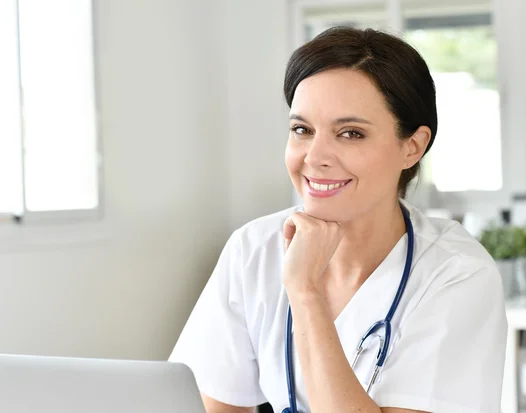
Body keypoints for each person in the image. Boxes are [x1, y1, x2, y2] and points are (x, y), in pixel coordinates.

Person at [169, 26, 508, 413]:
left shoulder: (455, 274)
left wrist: (305, 290)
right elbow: (208, 405)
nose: (315, 156)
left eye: (350, 133)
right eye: (302, 130)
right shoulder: (253, 248)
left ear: (412, 147)